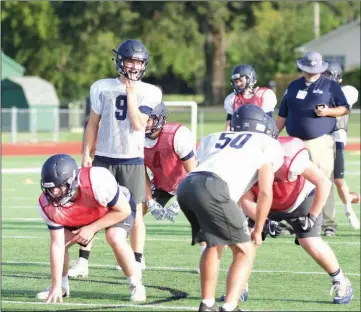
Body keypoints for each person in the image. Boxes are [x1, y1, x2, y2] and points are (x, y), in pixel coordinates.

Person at [69, 39, 162, 279]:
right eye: (131, 60)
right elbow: (93, 123)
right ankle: (82, 261)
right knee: (92, 209)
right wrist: (86, 153)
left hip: (132, 159)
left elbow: (138, 123)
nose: (135, 66)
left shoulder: (151, 91)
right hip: (104, 157)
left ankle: (137, 259)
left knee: (136, 212)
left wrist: (131, 93)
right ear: (120, 60)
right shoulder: (101, 86)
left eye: (139, 61)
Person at [177, 104, 284, 312]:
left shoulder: (215, 137)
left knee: (213, 244)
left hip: (188, 186)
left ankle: (207, 304)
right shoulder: (267, 144)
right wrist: (259, 229)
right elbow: (265, 192)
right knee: (245, 251)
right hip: (213, 187)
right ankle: (229, 306)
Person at [240, 136, 354, 304]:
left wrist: (312, 216)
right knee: (248, 238)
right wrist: (263, 221)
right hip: (264, 204)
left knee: (309, 241)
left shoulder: (291, 155)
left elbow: (323, 182)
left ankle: (340, 280)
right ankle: (239, 284)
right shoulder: (244, 160)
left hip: (299, 198)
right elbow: (245, 200)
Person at [35, 154, 146, 303]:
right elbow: (57, 244)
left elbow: (123, 210)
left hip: (113, 209)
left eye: (59, 187)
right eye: (50, 188)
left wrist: (91, 228)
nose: (54, 193)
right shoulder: (46, 204)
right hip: (84, 213)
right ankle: (61, 287)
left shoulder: (97, 181)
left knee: (114, 237)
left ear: (73, 181)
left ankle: (136, 284)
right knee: (63, 243)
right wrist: (55, 285)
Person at [276, 51, 350, 237]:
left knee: (323, 181)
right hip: (294, 143)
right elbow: (283, 114)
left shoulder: (331, 86)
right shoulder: (293, 86)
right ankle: (294, 220)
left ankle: (328, 223)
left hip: (319, 141)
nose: (311, 72)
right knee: (293, 181)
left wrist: (328, 112)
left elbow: (344, 109)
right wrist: (273, 135)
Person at [143, 101, 197, 221]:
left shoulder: (177, 135)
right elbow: (142, 174)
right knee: (134, 213)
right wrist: (150, 201)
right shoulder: (135, 139)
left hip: (190, 183)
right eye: (141, 118)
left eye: (148, 119)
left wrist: (181, 201)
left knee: (204, 217)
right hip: (161, 184)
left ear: (160, 118)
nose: (143, 123)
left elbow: (194, 175)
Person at [323, 61, 360, 229]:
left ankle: (349, 210)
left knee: (338, 180)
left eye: (327, 75)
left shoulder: (348, 91)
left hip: (337, 138)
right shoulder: (318, 91)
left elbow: (339, 103)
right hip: (320, 139)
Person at [224, 64, 277, 130]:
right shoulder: (232, 98)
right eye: (236, 82)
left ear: (250, 79)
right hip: (239, 135)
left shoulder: (263, 95)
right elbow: (228, 126)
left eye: (240, 81)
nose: (238, 84)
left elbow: (268, 124)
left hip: (259, 135)